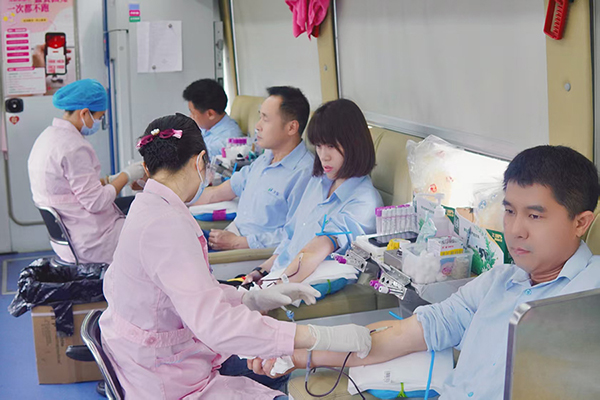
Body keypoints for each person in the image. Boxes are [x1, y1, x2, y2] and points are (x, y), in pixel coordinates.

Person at [251, 145, 600, 400]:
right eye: (510, 211)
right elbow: (397, 337)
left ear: (581, 222)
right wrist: (295, 352)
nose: (516, 230)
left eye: (534, 216)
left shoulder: (591, 293)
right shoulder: (496, 283)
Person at [99, 113, 373, 400]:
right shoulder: (167, 225)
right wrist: (317, 336)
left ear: (146, 167)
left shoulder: (147, 207)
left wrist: (250, 298)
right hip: (168, 377)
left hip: (153, 359)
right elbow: (214, 323)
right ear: (201, 161)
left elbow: (193, 292)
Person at [243, 98, 383, 286]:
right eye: (319, 146)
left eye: (331, 146)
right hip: (275, 276)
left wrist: (273, 289)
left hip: (296, 289)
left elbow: (315, 251)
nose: (323, 156)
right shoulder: (318, 182)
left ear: (354, 144)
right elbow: (291, 238)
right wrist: (263, 270)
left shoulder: (364, 202)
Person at [28, 79, 145, 264]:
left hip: (66, 239)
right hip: (91, 242)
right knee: (155, 228)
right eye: (99, 117)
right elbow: (96, 202)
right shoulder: (73, 147)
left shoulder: (47, 138)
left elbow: (69, 189)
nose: (99, 122)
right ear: (84, 113)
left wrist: (108, 181)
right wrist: (126, 175)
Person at [196, 86, 314, 251]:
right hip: (230, 236)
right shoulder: (265, 159)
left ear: (291, 128)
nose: (257, 126)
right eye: (260, 117)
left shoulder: (305, 174)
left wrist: (238, 242)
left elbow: (297, 234)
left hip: (250, 253)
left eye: (265, 119)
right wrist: (179, 198)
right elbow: (219, 192)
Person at [183, 78, 243, 159]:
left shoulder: (226, 141)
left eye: (193, 113)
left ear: (210, 114)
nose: (191, 116)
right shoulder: (207, 125)